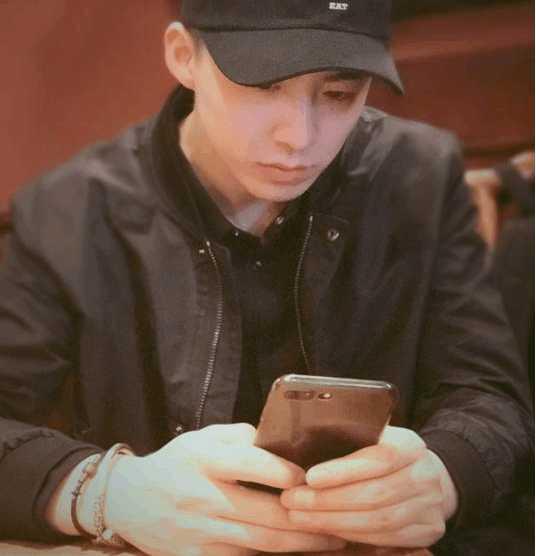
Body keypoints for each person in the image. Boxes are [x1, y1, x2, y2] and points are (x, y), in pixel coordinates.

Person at [0, 2, 531, 555]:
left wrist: (442, 476)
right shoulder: (71, 212)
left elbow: (490, 395)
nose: (298, 138)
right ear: (183, 56)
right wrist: (111, 492)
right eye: (261, 86)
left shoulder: (418, 173)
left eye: (338, 94)